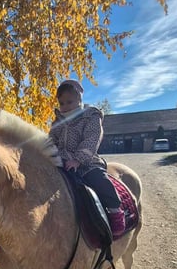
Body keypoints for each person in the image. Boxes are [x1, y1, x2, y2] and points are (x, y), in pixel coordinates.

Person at [49, 79, 125, 237]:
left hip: (86, 163)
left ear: (79, 99)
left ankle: (115, 211)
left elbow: (91, 139)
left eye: (69, 102)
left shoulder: (90, 116)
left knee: (100, 181)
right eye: (62, 103)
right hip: (62, 161)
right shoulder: (58, 121)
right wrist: (49, 153)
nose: (65, 106)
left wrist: (78, 159)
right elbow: (52, 140)